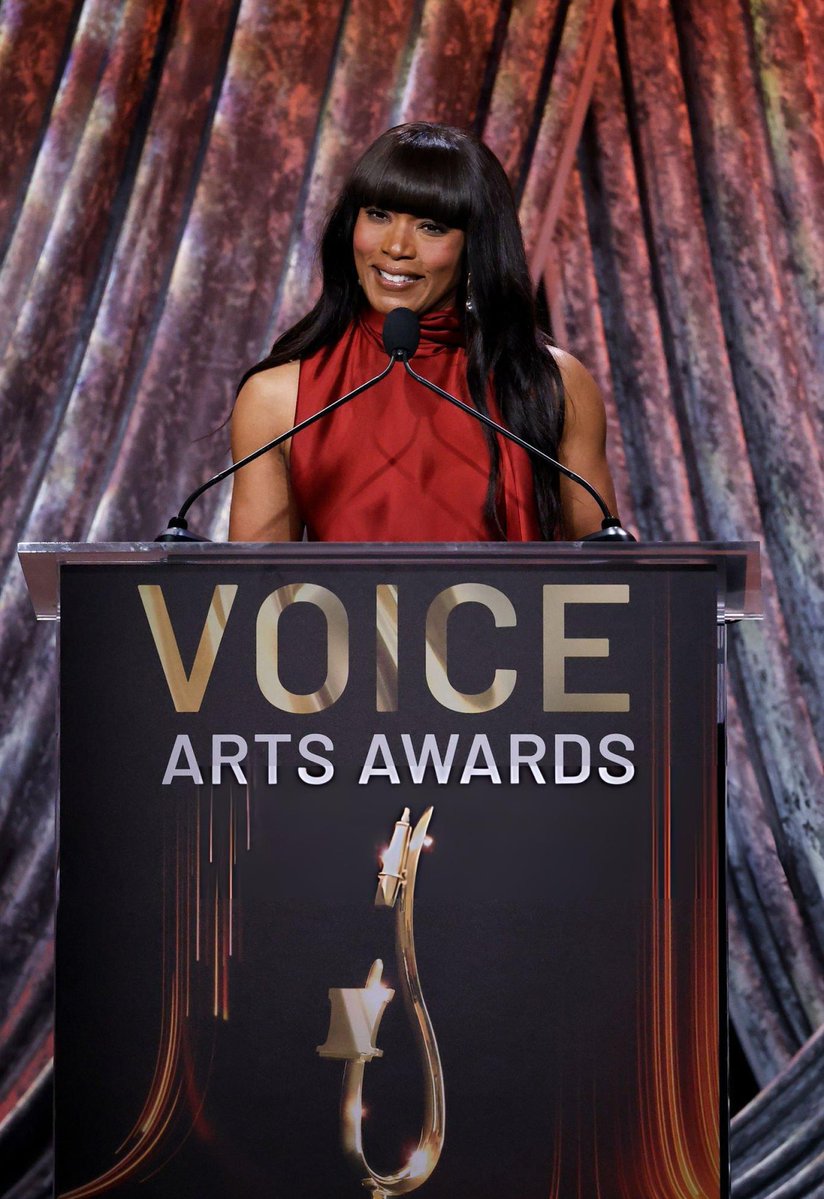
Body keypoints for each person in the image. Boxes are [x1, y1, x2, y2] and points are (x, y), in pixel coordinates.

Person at [228, 122, 619, 542]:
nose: (396, 247)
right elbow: (258, 596)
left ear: (477, 246)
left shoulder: (551, 385)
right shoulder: (277, 397)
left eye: (431, 226)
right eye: (378, 215)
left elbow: (605, 583)